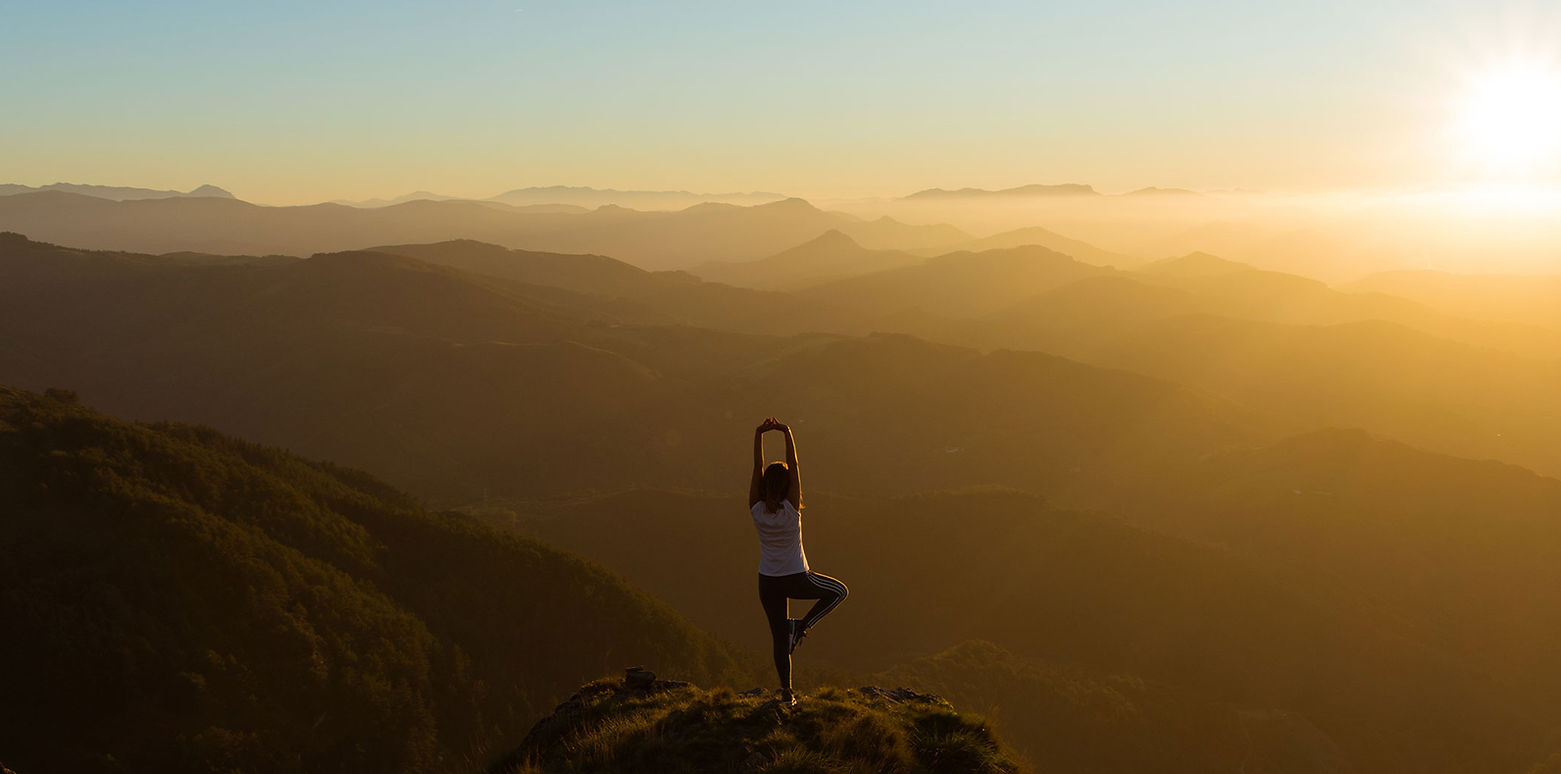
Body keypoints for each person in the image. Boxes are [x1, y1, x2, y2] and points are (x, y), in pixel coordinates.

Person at [750, 417, 848, 707]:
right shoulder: (792, 509)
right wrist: (786, 432)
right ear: (788, 486)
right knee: (839, 592)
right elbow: (795, 466)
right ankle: (802, 626)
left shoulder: (755, 508)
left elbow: (757, 468)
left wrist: (759, 435)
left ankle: (786, 694)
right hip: (796, 576)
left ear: (765, 484)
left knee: (779, 640)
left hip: (767, 582)